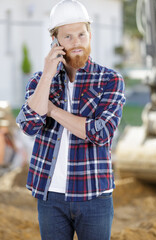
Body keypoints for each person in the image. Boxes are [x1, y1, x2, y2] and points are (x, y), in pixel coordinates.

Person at [16, 0, 125, 239]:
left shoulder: (110, 80)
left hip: (94, 194)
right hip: (50, 195)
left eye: (82, 34)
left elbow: (101, 133)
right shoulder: (40, 81)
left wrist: (53, 111)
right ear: (54, 41)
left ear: (90, 35)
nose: (77, 42)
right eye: (68, 37)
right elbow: (28, 124)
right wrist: (47, 73)